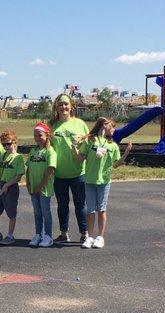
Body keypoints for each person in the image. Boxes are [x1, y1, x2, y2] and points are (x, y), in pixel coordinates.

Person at [72, 117, 132, 249]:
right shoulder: (90, 141)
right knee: (91, 211)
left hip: (104, 182)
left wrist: (126, 153)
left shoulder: (113, 145)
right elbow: (79, 159)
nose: (114, 130)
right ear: (104, 126)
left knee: (101, 210)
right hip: (90, 181)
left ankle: (100, 237)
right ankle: (89, 237)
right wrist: (74, 147)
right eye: (112, 126)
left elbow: (116, 164)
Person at [49, 94, 90, 244]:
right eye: (60, 104)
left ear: (71, 106)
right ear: (56, 107)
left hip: (78, 172)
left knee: (80, 205)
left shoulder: (79, 124)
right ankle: (63, 233)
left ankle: (84, 233)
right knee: (62, 205)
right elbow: (47, 147)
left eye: (66, 104)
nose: (63, 107)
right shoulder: (52, 125)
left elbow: (88, 143)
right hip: (59, 173)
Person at [0, 130, 25, 245]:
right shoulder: (2, 156)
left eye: (9, 143)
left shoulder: (18, 158)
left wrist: (7, 185)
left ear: (15, 143)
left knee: (11, 212)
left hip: (10, 186)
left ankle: (10, 235)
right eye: (4, 144)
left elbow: (19, 176)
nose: (6, 146)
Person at [26, 122, 57, 247]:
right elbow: (28, 168)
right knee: (37, 212)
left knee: (45, 212)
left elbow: (50, 169)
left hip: (44, 187)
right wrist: (28, 183)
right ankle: (38, 234)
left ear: (47, 135)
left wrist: (41, 184)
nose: (37, 138)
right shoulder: (33, 151)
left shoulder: (50, 151)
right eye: (35, 135)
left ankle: (48, 235)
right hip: (33, 187)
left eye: (40, 135)